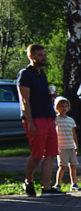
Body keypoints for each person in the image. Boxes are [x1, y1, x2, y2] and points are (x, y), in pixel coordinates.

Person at [16, 44, 63, 196]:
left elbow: (40, 96)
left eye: (43, 54)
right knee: (37, 154)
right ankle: (28, 182)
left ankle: (47, 188)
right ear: (31, 57)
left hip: (49, 116)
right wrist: (30, 121)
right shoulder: (25, 74)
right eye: (40, 55)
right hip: (35, 119)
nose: (43, 57)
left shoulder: (42, 74)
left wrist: (51, 96)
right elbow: (25, 100)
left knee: (50, 153)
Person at [52, 97, 81, 191]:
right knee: (62, 166)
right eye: (61, 106)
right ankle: (57, 184)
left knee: (73, 165)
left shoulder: (70, 120)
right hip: (61, 147)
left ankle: (74, 183)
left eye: (66, 106)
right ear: (56, 107)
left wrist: (76, 145)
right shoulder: (55, 119)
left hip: (71, 146)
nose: (64, 108)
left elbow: (74, 133)